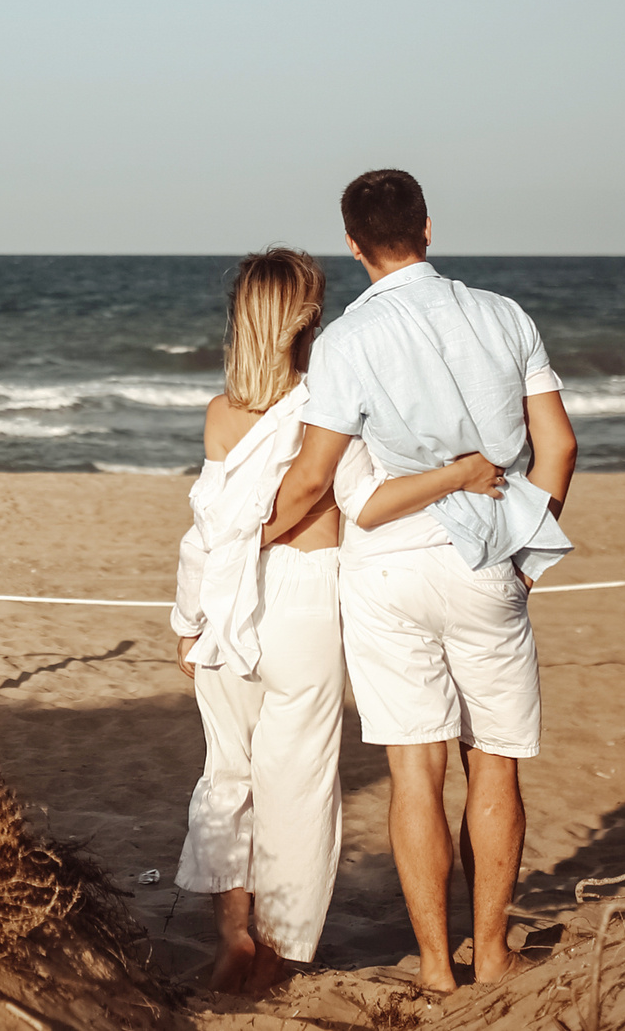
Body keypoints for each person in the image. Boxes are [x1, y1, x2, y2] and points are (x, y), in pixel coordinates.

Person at [264, 171, 580, 997]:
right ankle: (495, 953)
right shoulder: (505, 315)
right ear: (428, 227)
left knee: (415, 771)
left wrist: (249, 537)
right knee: (496, 765)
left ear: (353, 243)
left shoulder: (346, 339)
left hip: (387, 567)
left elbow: (315, 475)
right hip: (487, 558)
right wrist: (526, 548)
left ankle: (438, 966)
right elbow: (559, 445)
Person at [170, 248, 351, 995]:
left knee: (227, 774)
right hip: (304, 597)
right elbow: (360, 505)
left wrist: (188, 619)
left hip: (226, 601)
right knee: (296, 784)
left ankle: (232, 941)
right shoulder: (332, 404)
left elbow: (206, 529)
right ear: (310, 320)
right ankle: (276, 949)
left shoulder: (221, 413)